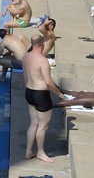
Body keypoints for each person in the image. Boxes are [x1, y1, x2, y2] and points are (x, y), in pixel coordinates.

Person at [22, 34, 65, 164]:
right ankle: (40, 152)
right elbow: (48, 82)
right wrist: (60, 94)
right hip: (41, 95)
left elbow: (24, 77)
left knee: (33, 123)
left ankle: (28, 151)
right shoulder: (42, 60)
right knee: (43, 126)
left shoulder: (26, 57)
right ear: (42, 43)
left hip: (29, 92)